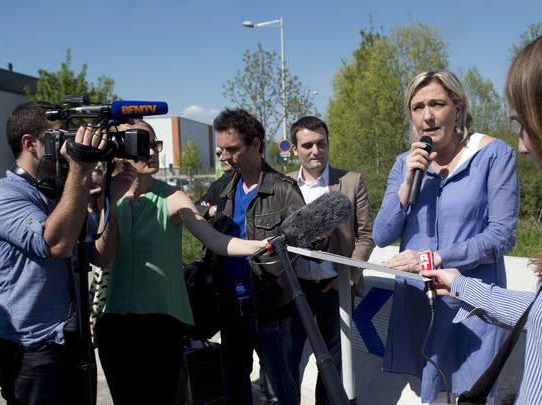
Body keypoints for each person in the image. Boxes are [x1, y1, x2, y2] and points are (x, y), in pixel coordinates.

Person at [421, 13, 542, 404]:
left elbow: (501, 233)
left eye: (527, 124)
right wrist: (461, 285)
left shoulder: (493, 155)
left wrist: (441, 258)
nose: (522, 145)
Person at [93, 118, 267, 404]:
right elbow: (102, 258)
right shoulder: (112, 197)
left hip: (161, 327)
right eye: (141, 144)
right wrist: (111, 202)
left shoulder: (172, 196)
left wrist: (260, 245)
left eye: (154, 144)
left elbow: (215, 239)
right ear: (119, 152)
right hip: (115, 326)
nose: (151, 151)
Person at [372, 70, 519, 403]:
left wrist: (433, 258)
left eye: (437, 103)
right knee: (432, 394)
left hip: (472, 303)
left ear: (458, 106)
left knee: (473, 392)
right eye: (417, 106)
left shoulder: (494, 155)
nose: (427, 116)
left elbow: (501, 236)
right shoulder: (405, 163)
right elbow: (382, 235)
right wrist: (407, 183)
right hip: (421, 302)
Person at [0, 101, 133, 404]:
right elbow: (57, 245)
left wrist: (112, 201)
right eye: (60, 137)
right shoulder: (2, 195)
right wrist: (81, 170)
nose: (69, 146)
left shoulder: (64, 194)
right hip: (29, 346)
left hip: (74, 341)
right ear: (30, 144)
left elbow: (101, 256)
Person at [207, 108, 305, 405]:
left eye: (233, 149)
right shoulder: (222, 189)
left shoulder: (284, 191)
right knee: (235, 388)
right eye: (221, 150)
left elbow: (301, 248)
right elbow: (210, 243)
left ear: (256, 144)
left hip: (269, 308)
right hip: (228, 305)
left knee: (279, 392)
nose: (225, 156)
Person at [287, 116, 375, 404]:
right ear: (295, 149)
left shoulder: (351, 181)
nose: (315, 150)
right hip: (293, 289)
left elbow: (366, 236)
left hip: (334, 290)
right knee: (287, 361)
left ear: (328, 144)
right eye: (308, 145)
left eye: (321, 143)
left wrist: (346, 279)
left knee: (332, 368)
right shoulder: (283, 184)